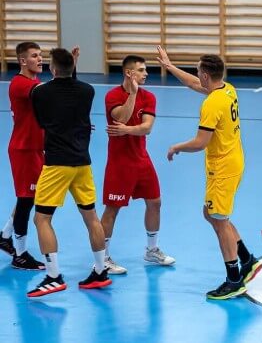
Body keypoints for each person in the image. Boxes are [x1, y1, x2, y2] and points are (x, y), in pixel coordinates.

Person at [159, 48, 262, 300]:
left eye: (198, 71)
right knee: (212, 214)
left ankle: (234, 280)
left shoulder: (211, 103)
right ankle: (247, 259)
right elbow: (193, 84)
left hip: (223, 168)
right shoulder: (227, 89)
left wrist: (176, 147)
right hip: (233, 160)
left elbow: (200, 142)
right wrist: (170, 67)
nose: (197, 75)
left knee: (219, 220)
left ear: (206, 75)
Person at [27, 47, 112, 297]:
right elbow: (70, 91)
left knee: (42, 219)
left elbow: (42, 121)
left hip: (56, 164)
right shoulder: (88, 90)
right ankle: (100, 271)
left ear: (52, 68)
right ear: (72, 67)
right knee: (91, 218)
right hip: (82, 163)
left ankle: (53, 277)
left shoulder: (39, 92)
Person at [100, 55, 175, 275]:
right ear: (129, 73)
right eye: (141, 70)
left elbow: (146, 128)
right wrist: (132, 95)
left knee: (155, 202)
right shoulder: (113, 95)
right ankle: (102, 258)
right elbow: (121, 117)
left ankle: (152, 250)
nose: (146, 73)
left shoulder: (149, 96)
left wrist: (126, 130)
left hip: (142, 159)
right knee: (112, 209)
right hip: (119, 162)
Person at [0, 42, 46, 270]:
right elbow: (49, 94)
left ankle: (5, 236)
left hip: (35, 149)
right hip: (24, 150)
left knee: (28, 196)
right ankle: (20, 254)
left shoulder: (33, 83)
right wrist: (68, 72)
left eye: (41, 55)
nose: (40, 59)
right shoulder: (21, 84)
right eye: (34, 56)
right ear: (22, 61)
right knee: (27, 200)